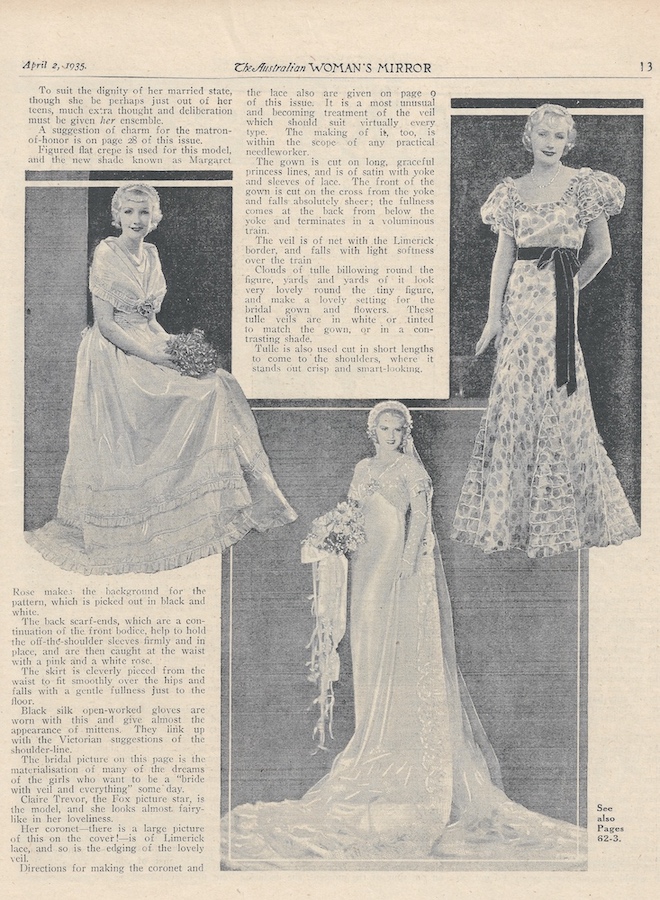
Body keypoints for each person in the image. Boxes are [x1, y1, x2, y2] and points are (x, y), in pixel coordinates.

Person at [223, 402, 584, 866]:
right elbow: (353, 510)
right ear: (373, 431)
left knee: (394, 645)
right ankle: (373, 725)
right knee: (367, 644)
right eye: (384, 428)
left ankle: (395, 743)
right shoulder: (363, 466)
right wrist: (332, 535)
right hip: (365, 560)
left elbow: (420, 523)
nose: (391, 435)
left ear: (404, 432)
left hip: (393, 561)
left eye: (398, 429)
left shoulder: (412, 468)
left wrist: (408, 566)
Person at [26, 183, 296, 575]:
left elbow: (151, 320)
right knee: (171, 405)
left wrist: (176, 347)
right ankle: (136, 519)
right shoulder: (106, 253)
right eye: (130, 212)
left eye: (144, 213)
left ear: (156, 218)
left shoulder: (151, 254)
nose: (137, 220)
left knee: (218, 383)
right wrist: (154, 356)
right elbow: (106, 325)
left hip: (148, 339)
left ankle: (201, 505)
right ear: (117, 216)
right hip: (113, 353)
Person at [452, 105, 640, 557]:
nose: (551, 142)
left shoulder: (584, 187)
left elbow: (602, 251)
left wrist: (569, 287)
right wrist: (493, 316)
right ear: (529, 139)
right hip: (519, 303)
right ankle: (511, 521)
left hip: (558, 299)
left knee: (559, 391)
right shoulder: (510, 192)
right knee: (517, 393)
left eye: (559, 135)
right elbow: (503, 257)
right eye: (543, 135)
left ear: (569, 141)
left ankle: (561, 518)